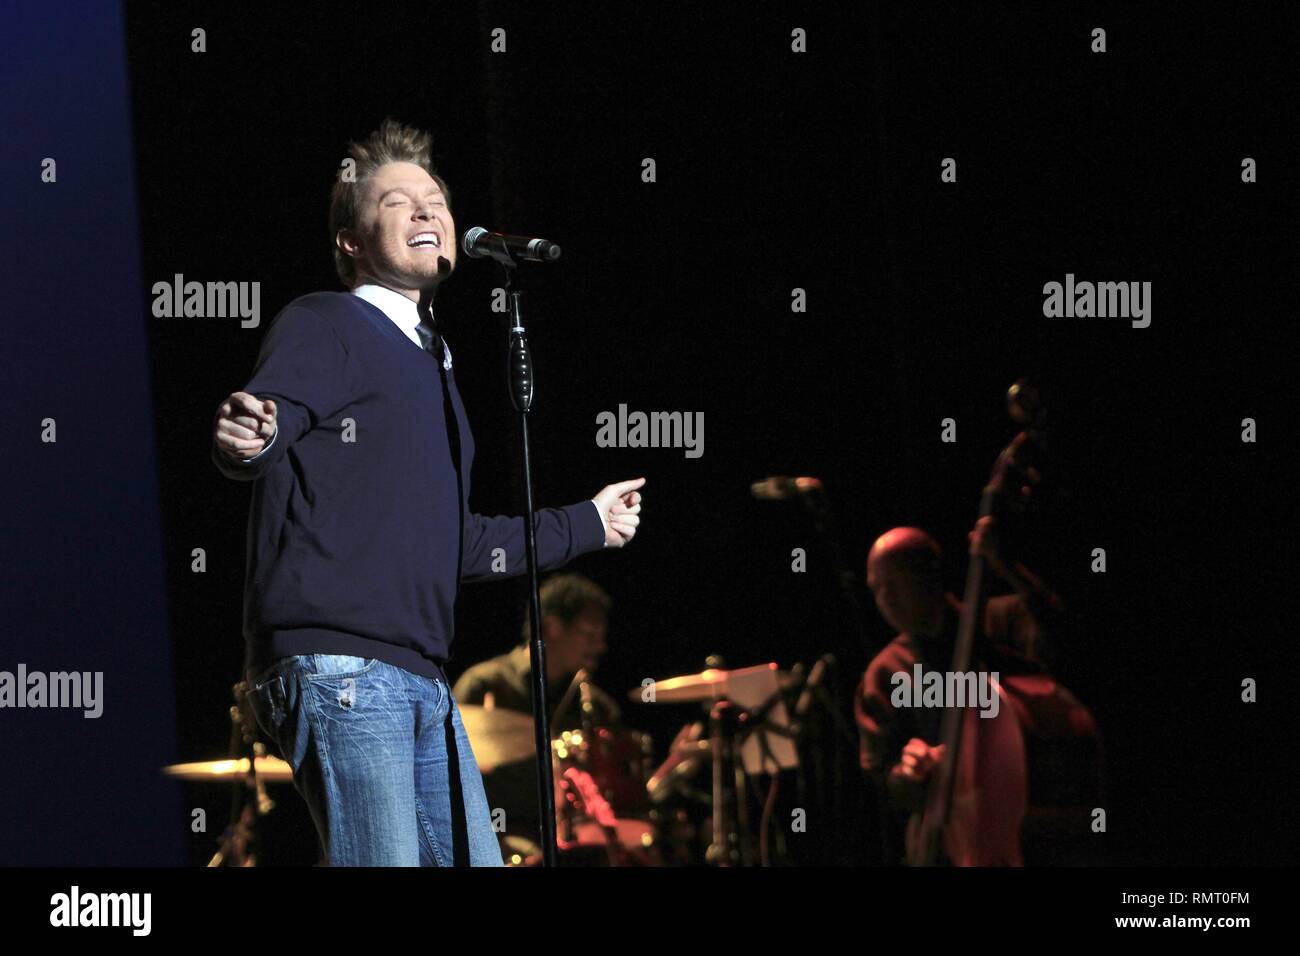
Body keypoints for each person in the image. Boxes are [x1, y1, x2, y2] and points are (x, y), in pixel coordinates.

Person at [211, 118, 645, 866]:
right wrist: (251, 439)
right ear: (350, 240)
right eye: (395, 202)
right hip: (342, 666)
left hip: (418, 675)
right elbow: (270, 417)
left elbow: (459, 544)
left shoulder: (434, 364)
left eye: (434, 198)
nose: (425, 210)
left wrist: (589, 525)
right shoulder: (328, 320)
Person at [854, 523, 1096, 864]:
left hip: (1036, 835)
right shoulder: (884, 673)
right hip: (949, 849)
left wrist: (1007, 566)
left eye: (895, 583)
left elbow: (1072, 641)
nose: (885, 599)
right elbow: (881, 777)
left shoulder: (1002, 623)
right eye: (877, 589)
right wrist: (908, 773)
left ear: (929, 575)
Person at [453, 572, 622, 730]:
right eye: (589, 634)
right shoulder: (485, 684)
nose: (601, 646)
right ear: (553, 627)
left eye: (601, 636)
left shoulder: (598, 708)